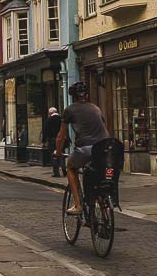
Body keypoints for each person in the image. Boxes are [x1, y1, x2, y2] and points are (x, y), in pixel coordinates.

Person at [54, 82, 111, 215]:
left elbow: (60, 136)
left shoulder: (70, 110)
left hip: (86, 148)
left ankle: (78, 205)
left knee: (71, 167)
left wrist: (58, 152)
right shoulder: (96, 108)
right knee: (98, 180)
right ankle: (104, 216)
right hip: (105, 148)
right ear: (86, 95)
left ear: (73, 96)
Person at [45, 107, 64, 178]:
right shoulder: (61, 119)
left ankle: (56, 172)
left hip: (52, 140)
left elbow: (46, 131)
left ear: (50, 113)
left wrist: (44, 140)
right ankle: (64, 170)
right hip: (62, 139)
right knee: (61, 154)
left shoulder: (49, 120)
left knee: (54, 155)